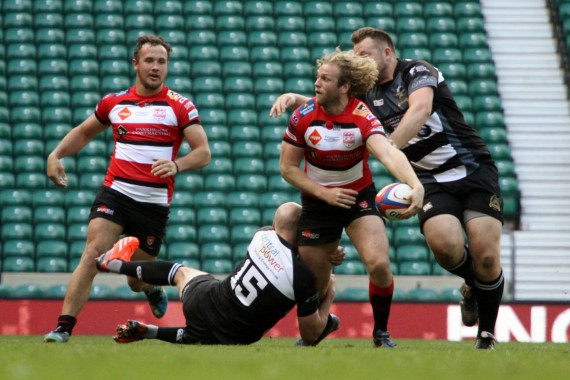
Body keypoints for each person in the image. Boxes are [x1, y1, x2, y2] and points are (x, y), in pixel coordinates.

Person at [271, 27, 504, 350]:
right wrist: (296, 100)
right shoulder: (363, 95)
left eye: (364, 54)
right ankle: (474, 283)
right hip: (429, 179)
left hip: (471, 168)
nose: (360, 61)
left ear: (387, 53)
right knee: (445, 246)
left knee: (487, 256)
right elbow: (331, 102)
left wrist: (384, 145)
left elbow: (419, 110)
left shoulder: (418, 71)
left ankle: (486, 336)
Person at [43, 35, 211, 343]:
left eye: (162, 62)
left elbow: (203, 152)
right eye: (149, 60)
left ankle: (151, 288)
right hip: (116, 194)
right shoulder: (115, 102)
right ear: (135, 63)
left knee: (136, 280)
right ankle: (63, 328)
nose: (155, 67)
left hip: (153, 205)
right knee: (93, 253)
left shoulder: (180, 105)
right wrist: (56, 154)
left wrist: (177, 165)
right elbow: (83, 132)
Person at [272, 49, 424, 348]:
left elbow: (387, 152)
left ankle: (381, 333)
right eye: (318, 76)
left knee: (379, 264)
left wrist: (414, 184)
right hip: (318, 202)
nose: (317, 83)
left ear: (344, 87)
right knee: (310, 331)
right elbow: (287, 169)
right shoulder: (303, 117)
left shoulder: (361, 117)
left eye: (325, 79)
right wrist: (324, 193)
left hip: (358, 199)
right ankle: (326, 310)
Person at [95, 202, 341, 346]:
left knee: (181, 273)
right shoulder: (303, 279)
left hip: (205, 302)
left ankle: (118, 265)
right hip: (237, 337)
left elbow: (283, 244)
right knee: (201, 333)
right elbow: (310, 334)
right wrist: (328, 290)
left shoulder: (261, 236)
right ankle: (150, 332)